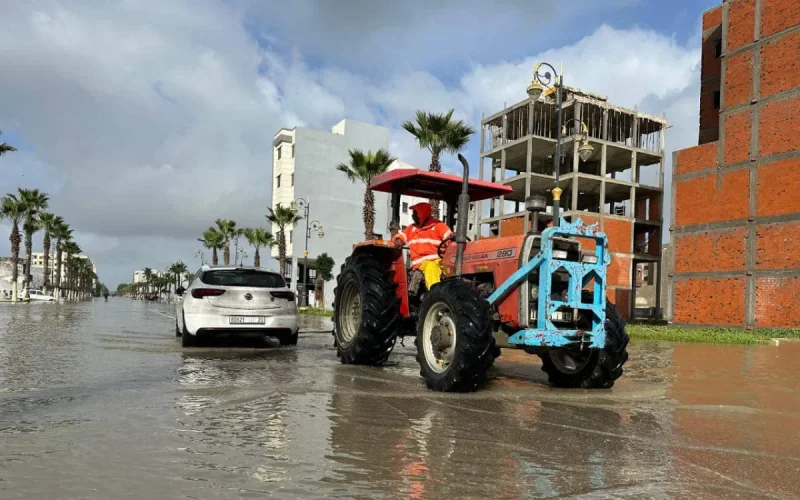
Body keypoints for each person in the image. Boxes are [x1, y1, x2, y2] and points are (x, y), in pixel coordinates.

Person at [393, 202, 453, 290]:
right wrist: (398, 240)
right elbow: (402, 236)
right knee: (431, 267)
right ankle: (434, 293)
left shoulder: (438, 226)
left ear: (422, 214)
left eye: (415, 213)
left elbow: (449, 238)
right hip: (421, 263)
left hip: (439, 261)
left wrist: (453, 239)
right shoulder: (411, 228)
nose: (412, 216)